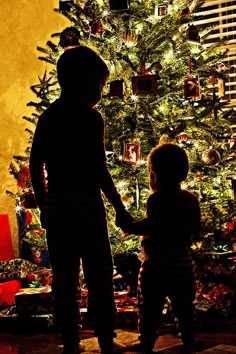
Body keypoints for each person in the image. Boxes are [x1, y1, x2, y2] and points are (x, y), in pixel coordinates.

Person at [29, 45, 132, 354]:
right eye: (99, 85)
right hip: (86, 205)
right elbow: (99, 169)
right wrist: (119, 207)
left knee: (65, 279)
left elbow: (36, 163)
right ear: (85, 80)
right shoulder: (91, 119)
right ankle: (104, 338)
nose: (101, 93)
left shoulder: (49, 117)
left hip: (59, 206)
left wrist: (45, 203)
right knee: (100, 273)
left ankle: (71, 340)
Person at [121, 143, 201, 354]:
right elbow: (195, 227)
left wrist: (130, 226)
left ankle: (147, 342)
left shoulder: (156, 199)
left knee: (149, 307)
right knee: (185, 306)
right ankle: (189, 339)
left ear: (154, 175)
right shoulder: (191, 199)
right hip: (183, 263)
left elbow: (152, 224)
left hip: (156, 264)